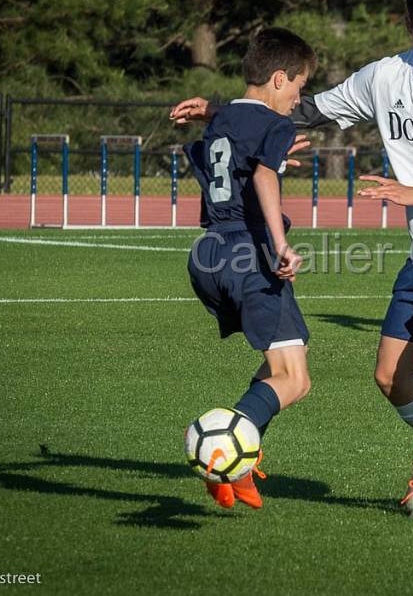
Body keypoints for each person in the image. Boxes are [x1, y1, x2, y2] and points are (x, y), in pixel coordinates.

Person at [171, 0, 413, 520]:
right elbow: (303, 107)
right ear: (409, 26)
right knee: (388, 376)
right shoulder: (386, 76)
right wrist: (222, 112)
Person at [177, 27, 316, 510]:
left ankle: (243, 454)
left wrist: (212, 111)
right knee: (296, 380)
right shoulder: (275, 126)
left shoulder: (225, 119)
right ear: (279, 79)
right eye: (298, 89)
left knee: (277, 368)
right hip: (249, 256)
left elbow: (231, 140)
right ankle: (222, 448)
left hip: (209, 255)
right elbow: (261, 173)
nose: (298, 101)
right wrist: (281, 246)